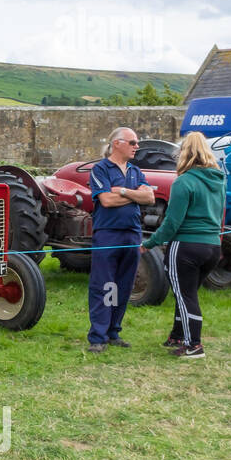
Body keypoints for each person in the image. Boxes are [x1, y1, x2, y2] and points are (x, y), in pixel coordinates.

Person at [142, 131, 225, 358]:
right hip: (212, 246)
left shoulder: (183, 182)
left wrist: (150, 243)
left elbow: (172, 222)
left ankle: (193, 345)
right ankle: (177, 335)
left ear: (182, 154)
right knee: (186, 293)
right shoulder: (218, 181)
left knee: (185, 295)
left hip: (187, 245)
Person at [87, 126, 157, 353]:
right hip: (108, 233)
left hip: (132, 232)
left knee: (124, 285)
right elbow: (106, 200)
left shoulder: (136, 171)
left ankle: (113, 331)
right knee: (104, 285)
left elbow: (150, 197)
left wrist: (125, 193)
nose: (137, 146)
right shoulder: (100, 169)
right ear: (117, 143)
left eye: (137, 143)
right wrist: (135, 196)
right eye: (133, 142)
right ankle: (98, 335)